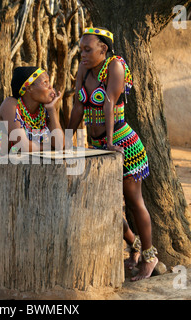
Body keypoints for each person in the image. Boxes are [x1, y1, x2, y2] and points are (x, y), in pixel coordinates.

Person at [67, 27, 158, 281]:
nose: (82, 54)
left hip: (122, 143)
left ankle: (150, 256)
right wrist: (65, 139)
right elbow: (77, 106)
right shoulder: (84, 69)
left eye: (88, 49)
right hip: (100, 147)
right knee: (104, 203)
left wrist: (108, 142)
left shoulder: (115, 66)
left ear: (103, 49)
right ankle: (134, 245)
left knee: (133, 201)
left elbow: (108, 101)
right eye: (81, 49)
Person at [0, 66, 64, 287]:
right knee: (2, 216)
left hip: (20, 165)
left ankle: (24, 263)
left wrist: (52, 110)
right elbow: (22, 145)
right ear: (27, 89)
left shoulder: (43, 109)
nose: (51, 88)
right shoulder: (10, 104)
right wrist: (47, 144)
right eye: (45, 83)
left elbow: (60, 143)